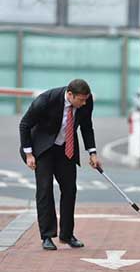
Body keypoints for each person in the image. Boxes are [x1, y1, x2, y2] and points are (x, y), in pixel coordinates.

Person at [19, 79, 102, 250]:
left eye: (86, 99)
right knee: (45, 188)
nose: (84, 103)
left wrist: (92, 152)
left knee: (70, 189)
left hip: (66, 148)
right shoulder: (46, 100)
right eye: (81, 99)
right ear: (70, 95)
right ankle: (47, 236)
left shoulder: (86, 100)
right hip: (42, 148)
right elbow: (25, 124)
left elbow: (87, 126)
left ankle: (67, 234)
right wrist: (29, 154)